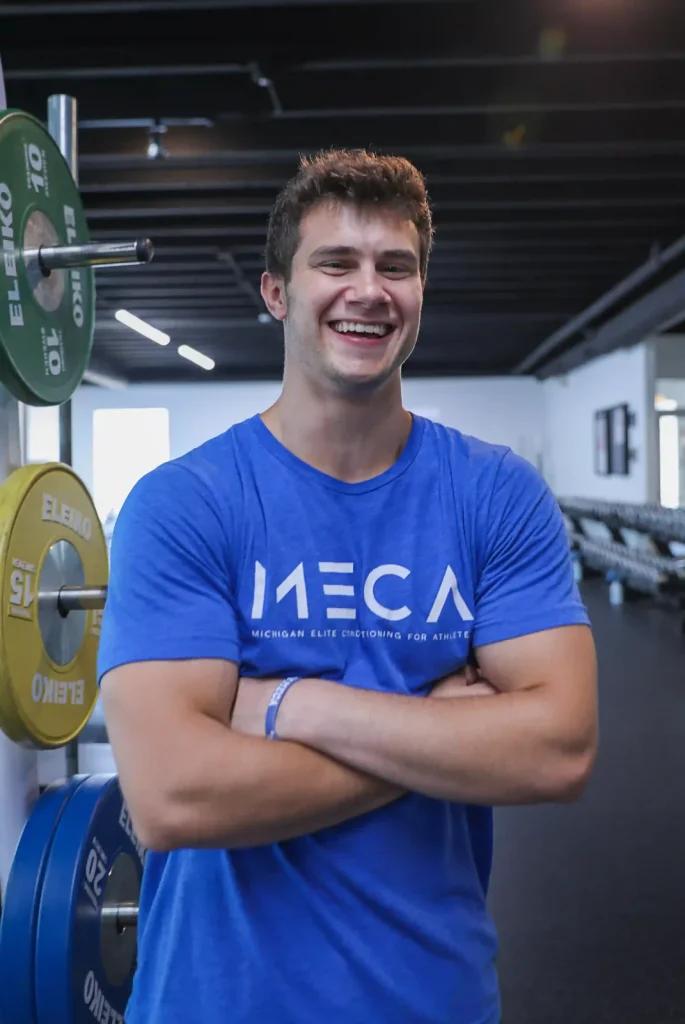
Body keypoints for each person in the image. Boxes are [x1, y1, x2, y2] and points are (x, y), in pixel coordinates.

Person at [98, 148, 598, 1024]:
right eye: (336, 263)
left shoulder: (493, 493)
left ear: (417, 294)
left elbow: (557, 750)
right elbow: (173, 795)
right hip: (213, 1004)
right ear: (276, 293)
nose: (368, 290)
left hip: (431, 998)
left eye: (394, 267)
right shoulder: (186, 503)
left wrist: (293, 706)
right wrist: (445, 731)